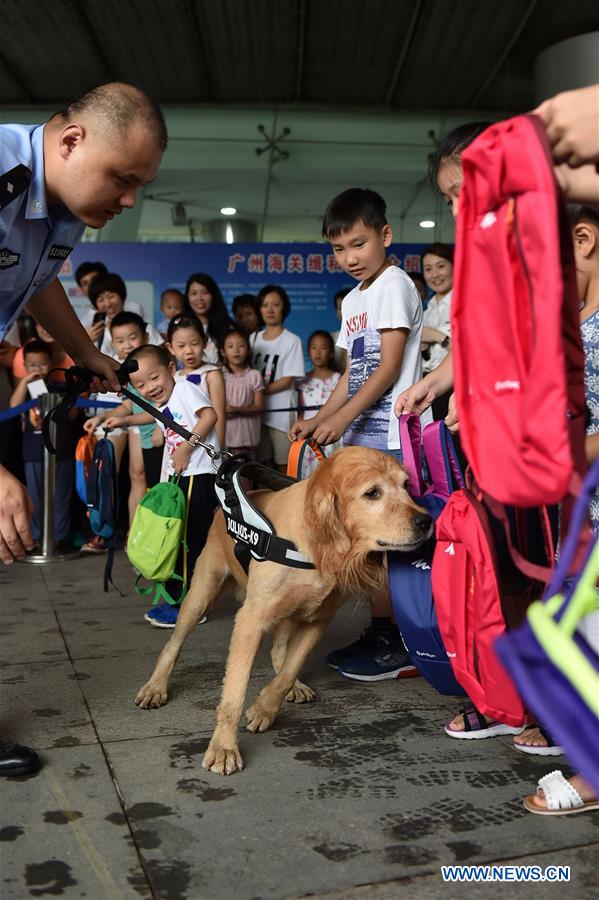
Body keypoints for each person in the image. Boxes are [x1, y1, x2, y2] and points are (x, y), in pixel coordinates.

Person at [0, 80, 166, 777]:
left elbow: (36, 278)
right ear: (71, 141)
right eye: (122, 178)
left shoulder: (58, 203)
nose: (128, 200)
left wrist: (89, 351)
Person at [290, 187, 427, 680]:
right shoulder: (353, 300)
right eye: (339, 248)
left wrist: (343, 418)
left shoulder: (394, 284)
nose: (349, 258)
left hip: (396, 437)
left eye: (359, 244)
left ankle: (403, 638)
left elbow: (388, 367)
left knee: (396, 541)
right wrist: (320, 415)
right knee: (368, 541)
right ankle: (384, 631)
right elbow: (352, 373)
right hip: (365, 440)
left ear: (385, 236)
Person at [128, 344, 218, 629]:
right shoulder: (164, 402)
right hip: (182, 476)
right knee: (178, 539)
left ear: (170, 369)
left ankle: (188, 606)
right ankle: (178, 598)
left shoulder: (185, 389)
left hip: (197, 474)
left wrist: (186, 449)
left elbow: (209, 416)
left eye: (154, 378)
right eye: (140, 384)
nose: (149, 387)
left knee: (189, 542)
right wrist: (121, 420)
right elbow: (153, 418)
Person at [83, 312, 151, 544]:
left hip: (147, 424)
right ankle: (105, 530)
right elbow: (127, 405)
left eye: (132, 337)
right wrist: (104, 419)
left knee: (140, 475)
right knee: (109, 471)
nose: (126, 345)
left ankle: (138, 535)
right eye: (119, 340)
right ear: (112, 342)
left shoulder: (152, 361)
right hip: (120, 422)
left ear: (146, 336)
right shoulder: (106, 361)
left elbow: (141, 404)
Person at [9, 340, 74, 552]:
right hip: (33, 453)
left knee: (60, 497)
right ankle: (37, 537)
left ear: (52, 363)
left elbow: (72, 414)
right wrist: (25, 382)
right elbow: (14, 407)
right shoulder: (25, 391)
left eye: (43, 364)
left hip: (60, 451)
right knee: (35, 498)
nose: (38, 369)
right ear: (25, 366)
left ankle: (60, 537)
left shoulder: (61, 387)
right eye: (32, 365)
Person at [253, 285, 305, 473]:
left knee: (283, 465)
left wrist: (258, 391)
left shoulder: (292, 340)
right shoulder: (253, 338)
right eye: (265, 305)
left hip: (282, 416)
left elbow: (288, 379)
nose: (270, 309)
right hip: (257, 415)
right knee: (261, 465)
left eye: (276, 304)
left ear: (285, 308)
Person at [168, 314, 226, 450]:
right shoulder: (174, 377)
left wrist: (219, 449)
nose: (189, 351)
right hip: (177, 444)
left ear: (204, 342)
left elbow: (219, 416)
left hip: (207, 445)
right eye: (181, 346)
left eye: (194, 344)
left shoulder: (211, 374)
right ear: (171, 347)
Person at [296, 330, 342, 475]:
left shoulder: (339, 380)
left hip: (331, 436)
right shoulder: (302, 382)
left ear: (331, 353)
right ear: (308, 351)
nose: (318, 352)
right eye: (314, 347)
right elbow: (300, 412)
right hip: (309, 438)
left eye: (323, 348)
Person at [88, 272, 161, 354]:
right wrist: (87, 342)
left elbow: (161, 358)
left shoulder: (145, 328)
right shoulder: (96, 334)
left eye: (111, 296)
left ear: (121, 296)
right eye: (101, 300)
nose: (108, 304)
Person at [219, 328, 264, 457]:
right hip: (226, 436)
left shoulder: (254, 375)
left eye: (241, 345)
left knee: (246, 474)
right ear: (223, 351)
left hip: (248, 436)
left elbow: (259, 406)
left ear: (248, 350)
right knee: (226, 474)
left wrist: (235, 409)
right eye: (230, 346)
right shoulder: (219, 375)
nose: (236, 350)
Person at [184, 273, 233, 365]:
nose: (199, 298)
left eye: (205, 292)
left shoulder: (228, 327)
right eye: (194, 293)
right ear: (187, 297)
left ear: (213, 295)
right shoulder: (181, 327)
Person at [74, 260, 108, 342]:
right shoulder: (82, 324)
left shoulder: (133, 308)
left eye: (94, 280)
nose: (91, 286)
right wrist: (86, 342)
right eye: (85, 283)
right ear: (81, 290)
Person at [331, 287, 352, 373]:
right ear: (336, 311)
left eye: (348, 307)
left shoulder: (369, 337)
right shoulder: (330, 339)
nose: (344, 311)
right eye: (340, 307)